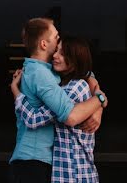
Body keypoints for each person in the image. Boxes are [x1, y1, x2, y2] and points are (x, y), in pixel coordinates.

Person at [8, 18, 107, 183]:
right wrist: (100, 100)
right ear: (44, 44)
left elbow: (85, 73)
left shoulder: (59, 79)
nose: (57, 42)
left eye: (63, 53)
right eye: (56, 37)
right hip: (33, 163)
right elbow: (70, 115)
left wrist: (99, 105)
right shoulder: (43, 75)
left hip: (60, 169)